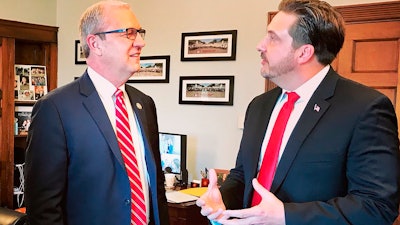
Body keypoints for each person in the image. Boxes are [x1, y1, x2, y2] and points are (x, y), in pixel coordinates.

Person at [196, 0, 400, 224]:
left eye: (272, 38)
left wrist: (286, 216)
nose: (260, 45)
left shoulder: (365, 108)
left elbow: (377, 207)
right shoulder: (259, 106)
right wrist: (223, 198)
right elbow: (243, 175)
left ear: (304, 53)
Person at [24, 1, 169, 225]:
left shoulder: (144, 104)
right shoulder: (55, 109)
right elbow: (44, 211)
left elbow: (155, 188)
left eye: (139, 33)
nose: (141, 42)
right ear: (95, 43)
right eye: (129, 33)